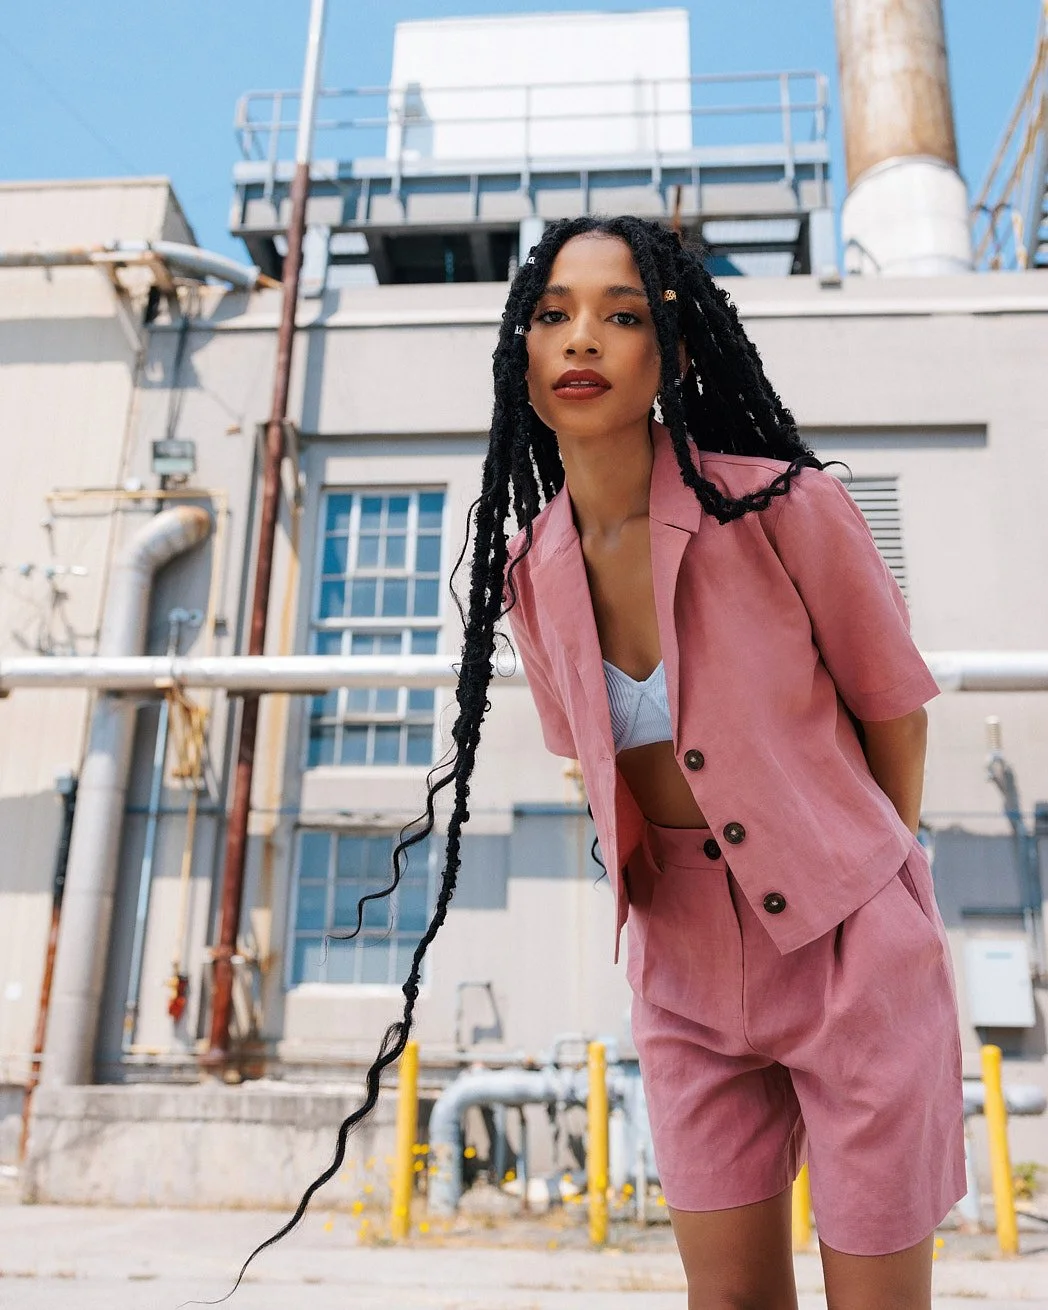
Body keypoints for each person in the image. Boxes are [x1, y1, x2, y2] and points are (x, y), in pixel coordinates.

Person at [231, 216, 965, 1309]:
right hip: (680, 967)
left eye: (621, 315)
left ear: (670, 354)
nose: (583, 339)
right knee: (724, 1300)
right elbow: (594, 761)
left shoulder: (785, 510)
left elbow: (893, 713)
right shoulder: (531, 568)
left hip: (851, 942)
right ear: (518, 354)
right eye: (553, 315)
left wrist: (863, 881)